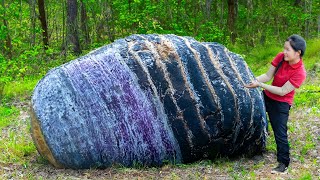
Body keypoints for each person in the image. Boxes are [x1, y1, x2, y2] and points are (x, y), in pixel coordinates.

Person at [244, 34, 307, 173]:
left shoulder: (300, 72)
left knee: (280, 133)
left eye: (288, 49)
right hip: (267, 96)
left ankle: (283, 163)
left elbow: (283, 91)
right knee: (249, 114)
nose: (284, 52)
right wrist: (250, 81)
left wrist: (260, 84)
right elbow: (267, 76)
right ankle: (249, 148)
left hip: (281, 103)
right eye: (284, 48)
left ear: (298, 53)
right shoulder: (281, 58)